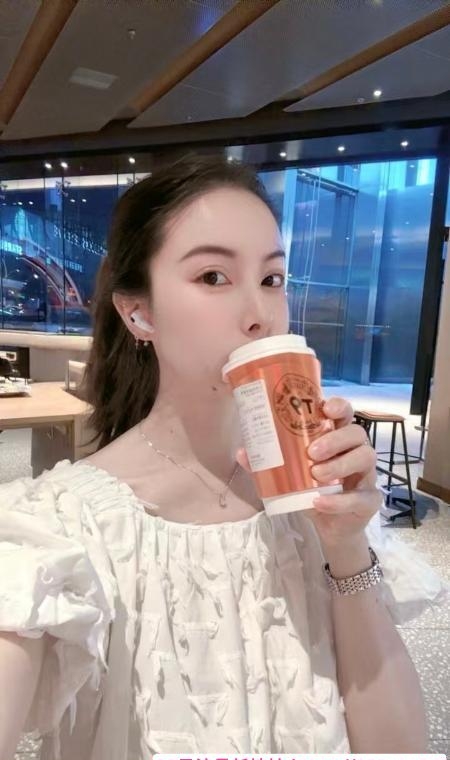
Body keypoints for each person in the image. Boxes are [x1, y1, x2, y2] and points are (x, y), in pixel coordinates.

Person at [0, 155, 448, 760]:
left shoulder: (314, 502)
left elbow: (397, 748)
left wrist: (346, 547)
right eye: (213, 276)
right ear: (139, 312)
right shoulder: (62, 526)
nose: (259, 314)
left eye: (272, 279)